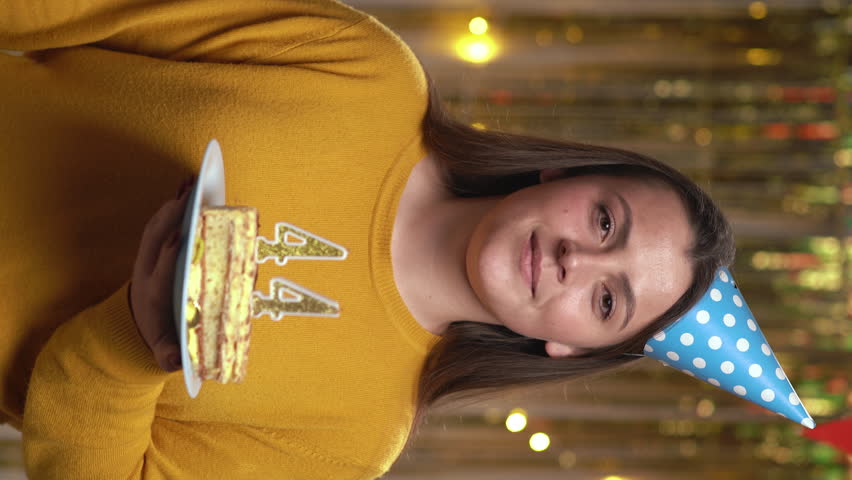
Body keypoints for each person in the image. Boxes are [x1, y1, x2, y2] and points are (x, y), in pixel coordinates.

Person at [0, 0, 734, 478]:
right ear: (566, 174)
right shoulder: (368, 72)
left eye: (608, 300)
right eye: (605, 221)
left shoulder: (350, 441)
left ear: (571, 348)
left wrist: (130, 339)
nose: (579, 260)